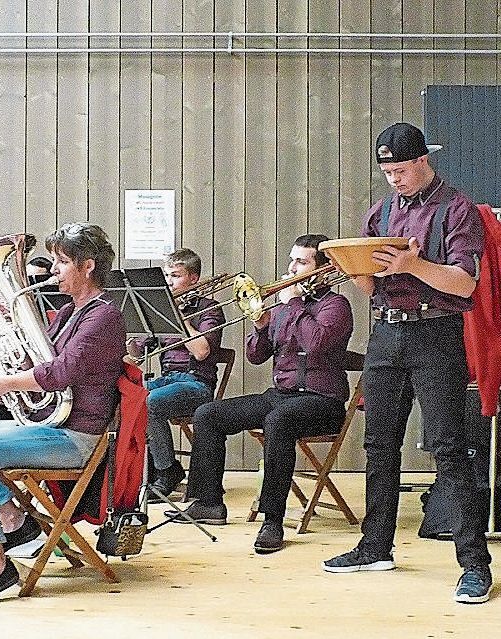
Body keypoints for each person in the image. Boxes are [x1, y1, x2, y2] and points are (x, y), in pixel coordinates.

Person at [322, 122, 493, 604]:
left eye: (401, 170)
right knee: (379, 444)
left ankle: (475, 565)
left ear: (423, 160)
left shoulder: (456, 209)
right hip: (386, 332)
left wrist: (411, 265)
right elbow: (372, 286)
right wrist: (354, 271)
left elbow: (465, 284)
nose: (394, 179)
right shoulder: (381, 211)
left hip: (436, 333)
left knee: (448, 447)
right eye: (387, 172)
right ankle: (375, 546)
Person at [168, 234, 353, 554]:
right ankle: (207, 502)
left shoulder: (336, 305)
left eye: (301, 261)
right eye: (292, 259)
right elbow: (256, 354)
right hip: (281, 395)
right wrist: (260, 323)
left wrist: (293, 303)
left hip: (322, 400)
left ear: (323, 269)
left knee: (278, 421)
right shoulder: (283, 308)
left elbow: (317, 344)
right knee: (208, 414)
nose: (292, 267)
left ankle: (273, 519)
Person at [0, 222, 126, 598]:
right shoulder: (71, 311)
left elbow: (59, 373)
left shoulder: (103, 316)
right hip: (56, 427)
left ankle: (0, 560)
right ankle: (14, 524)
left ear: (87, 267)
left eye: (62, 261)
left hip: (75, 437)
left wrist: (5, 383)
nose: (53, 270)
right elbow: (40, 358)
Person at [127, 248, 225, 498]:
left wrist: (178, 317)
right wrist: (135, 326)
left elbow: (202, 351)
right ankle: (144, 472)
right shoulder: (161, 311)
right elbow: (137, 354)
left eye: (176, 276)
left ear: (193, 278)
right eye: (167, 276)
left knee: (149, 403)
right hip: (167, 379)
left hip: (196, 383)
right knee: (125, 398)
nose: (169, 283)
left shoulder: (210, 309)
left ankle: (167, 470)